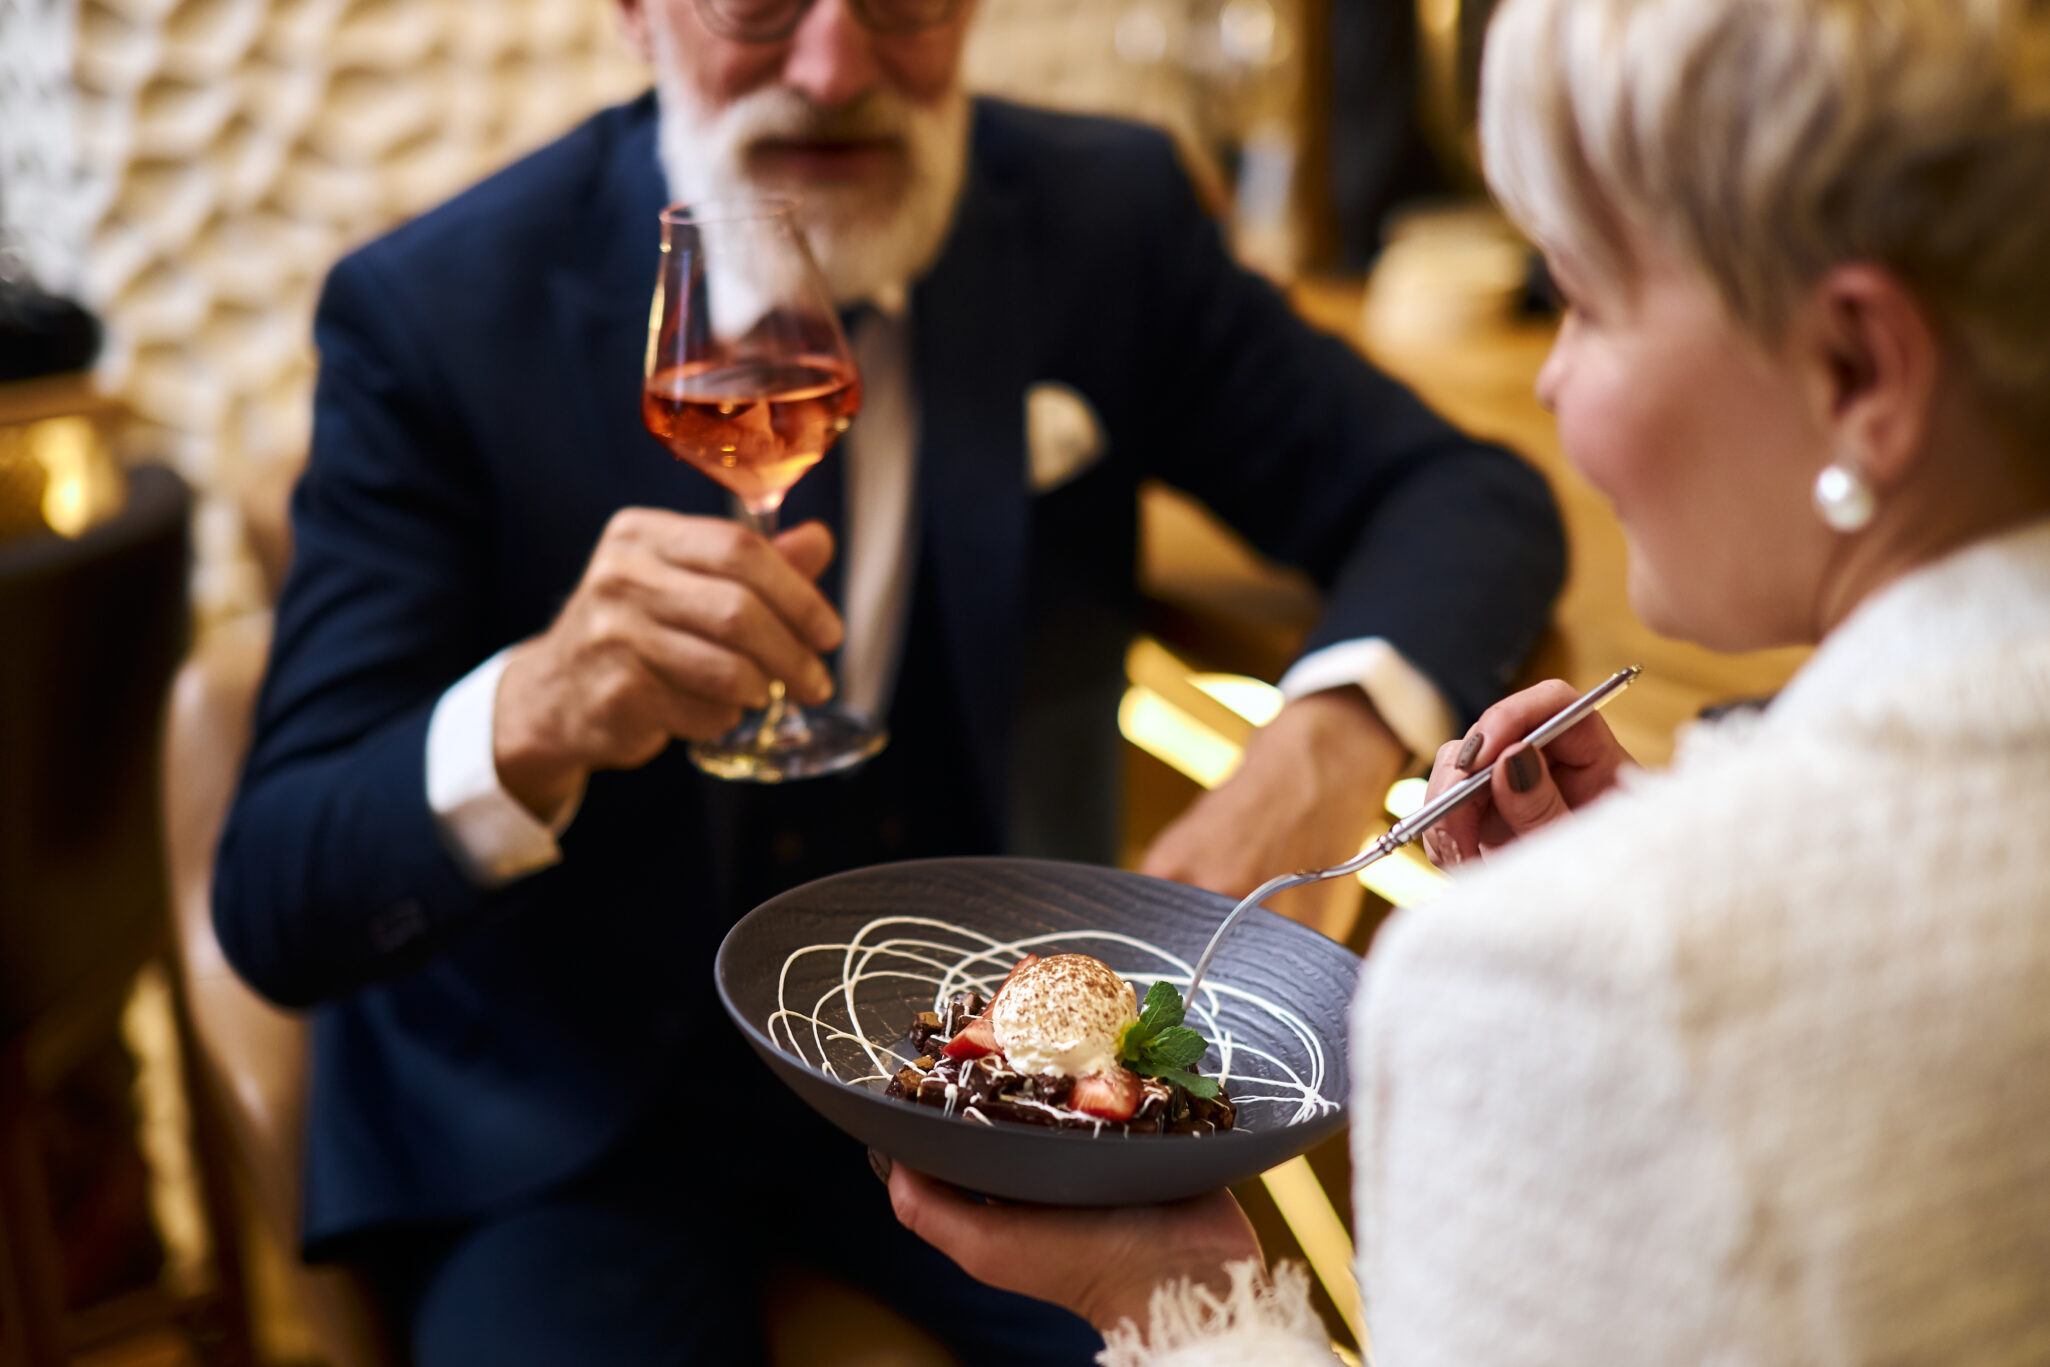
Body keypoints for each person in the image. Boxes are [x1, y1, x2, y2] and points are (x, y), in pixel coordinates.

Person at [210, 0, 1564, 1361]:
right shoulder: (434, 307)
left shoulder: (1104, 217)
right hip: (573, 1129)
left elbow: (1465, 493)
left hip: (983, 1074)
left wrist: (1319, 752)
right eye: (759, 8)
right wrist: (536, 709)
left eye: (901, 3)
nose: (835, 68)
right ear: (635, 15)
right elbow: (278, 889)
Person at [883, 0, 2050, 1361]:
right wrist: (1651, 844)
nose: (1545, 379)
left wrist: (1160, 1294)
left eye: (1584, 300)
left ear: (1860, 367)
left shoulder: (1542, 976)